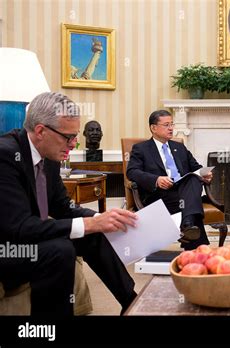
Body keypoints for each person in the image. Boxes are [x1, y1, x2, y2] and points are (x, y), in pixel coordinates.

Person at [0, 92, 138, 316]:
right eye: (68, 137)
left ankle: (132, 303)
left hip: (29, 237)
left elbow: (62, 207)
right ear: (41, 131)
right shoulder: (5, 156)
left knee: (93, 233)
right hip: (9, 248)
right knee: (60, 250)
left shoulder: (50, 154)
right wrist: (89, 223)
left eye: (76, 137)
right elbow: (19, 228)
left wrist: (101, 219)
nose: (74, 145)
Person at [126, 110, 212, 250]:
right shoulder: (141, 149)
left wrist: (205, 174)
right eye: (166, 125)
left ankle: (187, 225)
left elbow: (196, 168)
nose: (171, 128)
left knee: (193, 179)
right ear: (153, 128)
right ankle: (197, 247)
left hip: (182, 192)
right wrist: (156, 179)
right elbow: (132, 172)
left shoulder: (179, 147)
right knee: (191, 200)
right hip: (160, 194)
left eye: (172, 124)